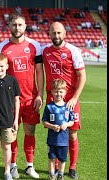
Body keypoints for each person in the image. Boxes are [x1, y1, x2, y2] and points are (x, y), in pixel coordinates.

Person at [0, 12, 44, 179]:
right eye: (14, 24)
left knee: (30, 131)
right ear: (9, 26)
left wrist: (40, 94)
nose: (17, 28)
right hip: (9, 101)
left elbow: (39, 72)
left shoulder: (34, 46)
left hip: (30, 97)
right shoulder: (1, 47)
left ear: (25, 26)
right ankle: (13, 165)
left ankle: (29, 165)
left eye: (20, 25)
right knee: (12, 133)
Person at [40, 21, 86, 179]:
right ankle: (56, 167)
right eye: (53, 32)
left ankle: (72, 167)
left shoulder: (73, 51)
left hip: (70, 101)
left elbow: (82, 76)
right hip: (52, 101)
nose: (56, 35)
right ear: (49, 34)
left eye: (59, 33)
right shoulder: (44, 50)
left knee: (72, 134)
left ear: (65, 34)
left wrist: (74, 98)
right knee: (54, 131)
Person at [42, 78, 74, 180]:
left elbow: (72, 121)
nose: (58, 94)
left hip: (63, 140)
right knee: (51, 158)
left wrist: (66, 124)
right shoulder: (49, 107)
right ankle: (51, 175)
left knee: (62, 159)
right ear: (52, 92)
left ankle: (60, 175)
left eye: (61, 91)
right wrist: (52, 126)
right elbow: (44, 122)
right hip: (52, 139)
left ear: (65, 92)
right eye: (56, 91)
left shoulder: (68, 107)